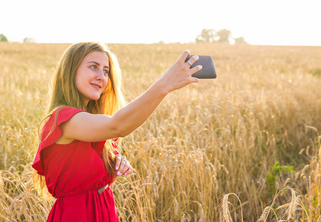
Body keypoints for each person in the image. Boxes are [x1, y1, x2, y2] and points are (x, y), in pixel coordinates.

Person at [32, 42, 202, 221]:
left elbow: (82, 164)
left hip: (104, 209)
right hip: (77, 215)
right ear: (70, 71)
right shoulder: (63, 118)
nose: (102, 77)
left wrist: (112, 160)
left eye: (106, 71)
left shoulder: (87, 120)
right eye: (93, 67)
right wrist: (166, 84)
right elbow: (117, 126)